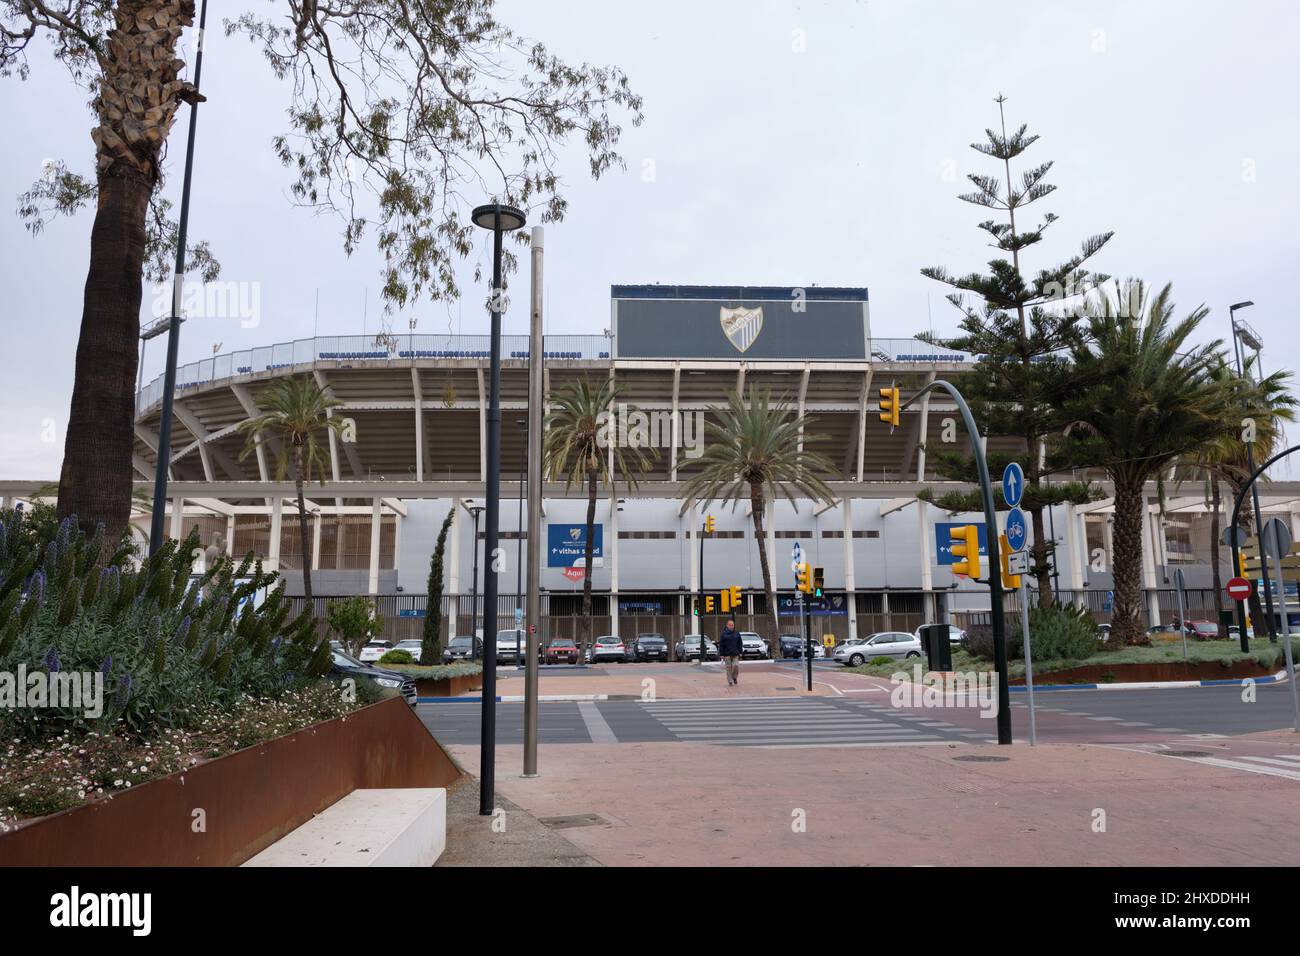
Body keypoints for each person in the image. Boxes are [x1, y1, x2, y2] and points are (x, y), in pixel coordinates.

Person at [718, 617, 743, 686]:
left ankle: (734, 677)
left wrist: (740, 652)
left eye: (732, 625)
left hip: (735, 654)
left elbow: (740, 643)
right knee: (728, 668)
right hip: (727, 654)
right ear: (727, 625)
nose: (731, 626)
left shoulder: (737, 633)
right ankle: (730, 681)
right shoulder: (724, 634)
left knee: (736, 666)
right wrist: (721, 654)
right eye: (730, 625)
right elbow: (721, 645)